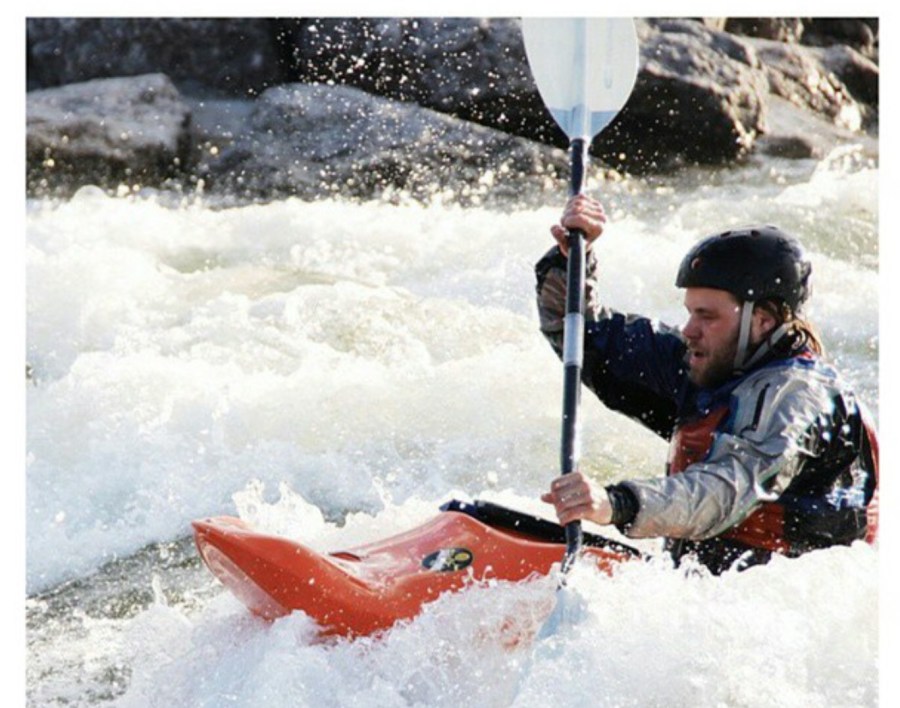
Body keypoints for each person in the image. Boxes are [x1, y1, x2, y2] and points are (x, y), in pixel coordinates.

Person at [538, 195, 879, 574]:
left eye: (707, 316)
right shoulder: (707, 361)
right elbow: (581, 334)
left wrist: (617, 504)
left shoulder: (797, 398)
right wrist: (574, 258)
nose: (689, 330)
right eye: (690, 312)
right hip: (696, 585)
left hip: (778, 599)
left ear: (762, 321)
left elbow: (725, 489)